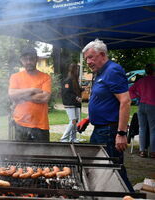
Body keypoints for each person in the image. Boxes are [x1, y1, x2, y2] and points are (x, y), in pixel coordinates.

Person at [80, 38, 134, 191]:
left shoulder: (112, 70)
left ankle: (129, 195)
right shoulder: (100, 72)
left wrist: (121, 133)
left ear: (102, 54)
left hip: (109, 131)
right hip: (100, 129)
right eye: (86, 59)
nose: (88, 62)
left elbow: (125, 101)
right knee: (99, 168)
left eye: (91, 57)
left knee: (113, 171)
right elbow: (106, 101)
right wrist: (89, 118)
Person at [8, 47, 51, 142]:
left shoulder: (45, 77)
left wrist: (21, 95)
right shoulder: (15, 77)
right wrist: (33, 90)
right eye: (25, 59)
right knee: (21, 154)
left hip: (41, 125)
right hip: (20, 124)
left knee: (43, 154)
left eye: (31, 59)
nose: (28, 62)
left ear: (36, 59)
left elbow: (45, 97)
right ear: (21, 60)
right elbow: (11, 94)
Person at [129, 63, 155, 158]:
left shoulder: (141, 80)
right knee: (153, 129)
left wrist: (136, 96)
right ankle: (153, 152)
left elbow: (130, 90)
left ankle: (142, 151)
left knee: (142, 128)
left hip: (141, 105)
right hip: (152, 106)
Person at [61, 63, 82, 143]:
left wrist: (82, 90)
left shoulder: (75, 80)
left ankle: (73, 138)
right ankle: (64, 138)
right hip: (69, 103)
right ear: (73, 70)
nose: (78, 71)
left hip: (75, 103)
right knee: (73, 121)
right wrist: (76, 97)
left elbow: (75, 90)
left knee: (75, 121)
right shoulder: (68, 80)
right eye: (77, 69)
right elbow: (66, 93)